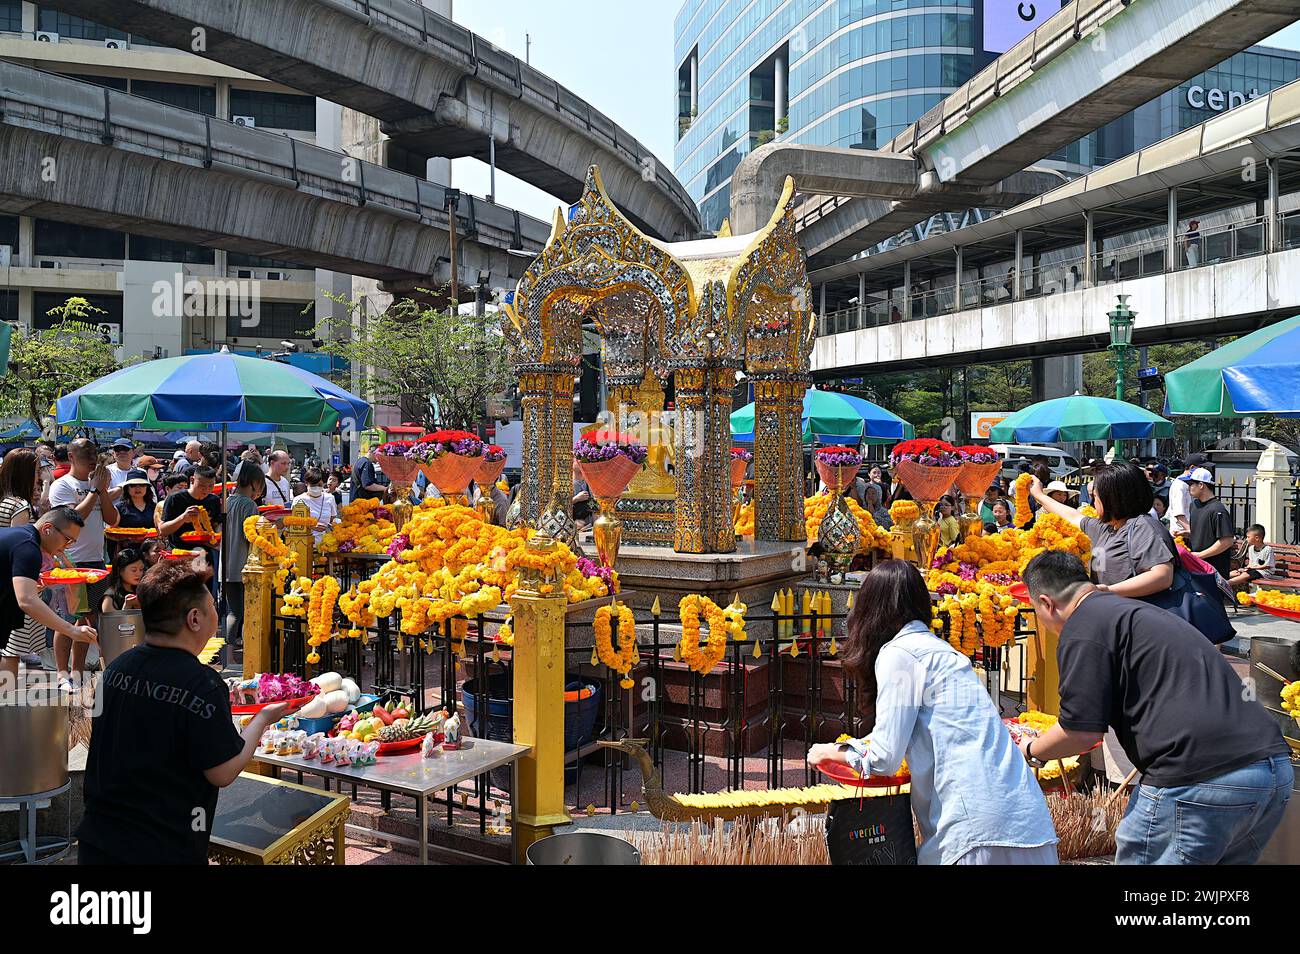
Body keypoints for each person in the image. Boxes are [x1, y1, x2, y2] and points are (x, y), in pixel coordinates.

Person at [1019, 550, 1291, 864]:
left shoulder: (1084, 626)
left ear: (1046, 603)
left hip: (1199, 779)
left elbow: (1079, 732)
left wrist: (1028, 751)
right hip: (1271, 771)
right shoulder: (1135, 612)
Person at [807, 560, 1057, 865]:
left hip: (976, 834)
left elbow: (884, 757)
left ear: (868, 610)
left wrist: (829, 751)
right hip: (1030, 826)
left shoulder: (900, 654)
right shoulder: (946, 654)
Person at [77, 559, 305, 865]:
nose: (217, 614)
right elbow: (222, 771)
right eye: (212, 606)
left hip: (99, 841)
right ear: (194, 618)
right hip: (162, 847)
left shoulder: (117, 667)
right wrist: (263, 718)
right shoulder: (202, 683)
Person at [1029, 462, 1175, 599]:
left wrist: (1107, 591)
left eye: (1096, 496)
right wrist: (1039, 495)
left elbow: (1162, 576)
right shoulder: (1108, 527)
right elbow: (1072, 516)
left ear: (1112, 499)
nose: (1093, 501)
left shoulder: (1143, 526)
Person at [0, 507, 98, 686]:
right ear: (47, 529)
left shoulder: (23, 539)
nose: (67, 547)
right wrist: (72, 630)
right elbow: (27, 600)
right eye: (67, 540)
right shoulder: (28, 547)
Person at [48, 438, 119, 677]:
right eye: (85, 453)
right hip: (70, 560)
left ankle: (77, 671)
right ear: (71, 457)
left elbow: (112, 519)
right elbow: (72, 519)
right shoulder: (62, 485)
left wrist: (103, 490)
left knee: (86, 620)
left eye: (93, 453)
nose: (91, 458)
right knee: (68, 619)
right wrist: (94, 490)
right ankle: (61, 673)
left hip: (96, 561)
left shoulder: (96, 485)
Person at [0, 449, 46, 673]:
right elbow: (18, 547)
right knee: (12, 648)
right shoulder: (19, 506)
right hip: (13, 584)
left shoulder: (4, 501)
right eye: (36, 471)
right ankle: (7, 702)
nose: (39, 477)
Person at [159, 467, 223, 593]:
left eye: (211, 486)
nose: (206, 490)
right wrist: (183, 518)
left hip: (204, 556)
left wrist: (216, 538)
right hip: (180, 557)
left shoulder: (214, 500)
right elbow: (162, 530)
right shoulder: (175, 499)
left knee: (203, 595)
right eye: (202, 485)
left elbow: (216, 525)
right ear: (192, 480)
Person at [224, 464, 265, 650]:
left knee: (233, 611)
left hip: (225, 565)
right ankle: (248, 655)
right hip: (244, 564)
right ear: (255, 483)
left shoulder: (227, 501)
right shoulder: (249, 505)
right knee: (245, 613)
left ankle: (228, 655)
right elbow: (254, 537)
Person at [1184, 466, 1235, 580]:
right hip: (1196, 566)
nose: (1189, 487)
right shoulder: (1194, 505)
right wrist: (1186, 533)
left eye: (1191, 484)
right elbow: (1204, 532)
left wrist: (1200, 555)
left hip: (1214, 569)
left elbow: (1227, 541)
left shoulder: (1217, 509)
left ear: (1201, 485)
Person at [291, 468, 338, 542]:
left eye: (319, 485)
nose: (316, 487)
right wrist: (311, 526)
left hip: (326, 542)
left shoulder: (330, 498)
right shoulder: (298, 500)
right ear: (306, 483)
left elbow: (333, 519)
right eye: (313, 485)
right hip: (304, 542)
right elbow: (293, 523)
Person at [1167, 452, 1206, 536]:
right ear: (1192, 467)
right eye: (1202, 468)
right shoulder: (1180, 485)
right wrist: (1191, 531)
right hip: (1181, 535)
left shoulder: (1190, 483)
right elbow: (1179, 514)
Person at [1230, 524, 1276, 589]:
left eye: (1248, 537)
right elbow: (1251, 563)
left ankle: (1227, 583)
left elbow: (1268, 565)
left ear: (1257, 538)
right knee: (1236, 572)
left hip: (1265, 572)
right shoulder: (1251, 548)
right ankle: (1220, 581)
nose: (1246, 539)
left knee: (1246, 575)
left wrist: (1255, 567)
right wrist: (1247, 568)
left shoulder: (1268, 549)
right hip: (1253, 571)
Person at [100, 547, 145, 614]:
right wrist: (127, 606)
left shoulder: (142, 591)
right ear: (120, 571)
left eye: (141, 569)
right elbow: (110, 622)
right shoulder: (110, 596)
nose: (139, 573)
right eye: (134, 570)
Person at [572, 460, 593, 530]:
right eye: (577, 460)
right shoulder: (567, 484)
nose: (581, 462)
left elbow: (595, 508)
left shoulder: (590, 483)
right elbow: (560, 506)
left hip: (588, 528)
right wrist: (576, 499)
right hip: (572, 527)